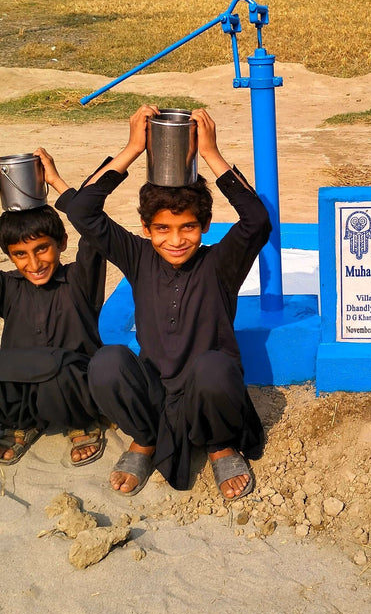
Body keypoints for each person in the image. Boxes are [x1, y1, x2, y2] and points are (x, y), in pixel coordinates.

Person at [65, 107, 270, 499]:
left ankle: (220, 445)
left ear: (205, 226)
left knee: (212, 366)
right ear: (146, 228)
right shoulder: (138, 256)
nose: (175, 240)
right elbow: (81, 211)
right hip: (156, 389)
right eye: (162, 228)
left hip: (210, 392)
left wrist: (211, 153)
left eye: (187, 227)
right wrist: (132, 149)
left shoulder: (220, 264)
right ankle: (144, 439)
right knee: (107, 361)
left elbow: (257, 221)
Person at [0, 149, 119, 467]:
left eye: (42, 249)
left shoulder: (80, 279)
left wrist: (55, 180)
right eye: (20, 254)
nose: (34, 263)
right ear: (9, 256)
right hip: (25, 390)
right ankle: (23, 422)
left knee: (61, 372)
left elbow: (93, 228)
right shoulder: (6, 288)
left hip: (73, 390)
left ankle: (82, 424)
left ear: (61, 243)